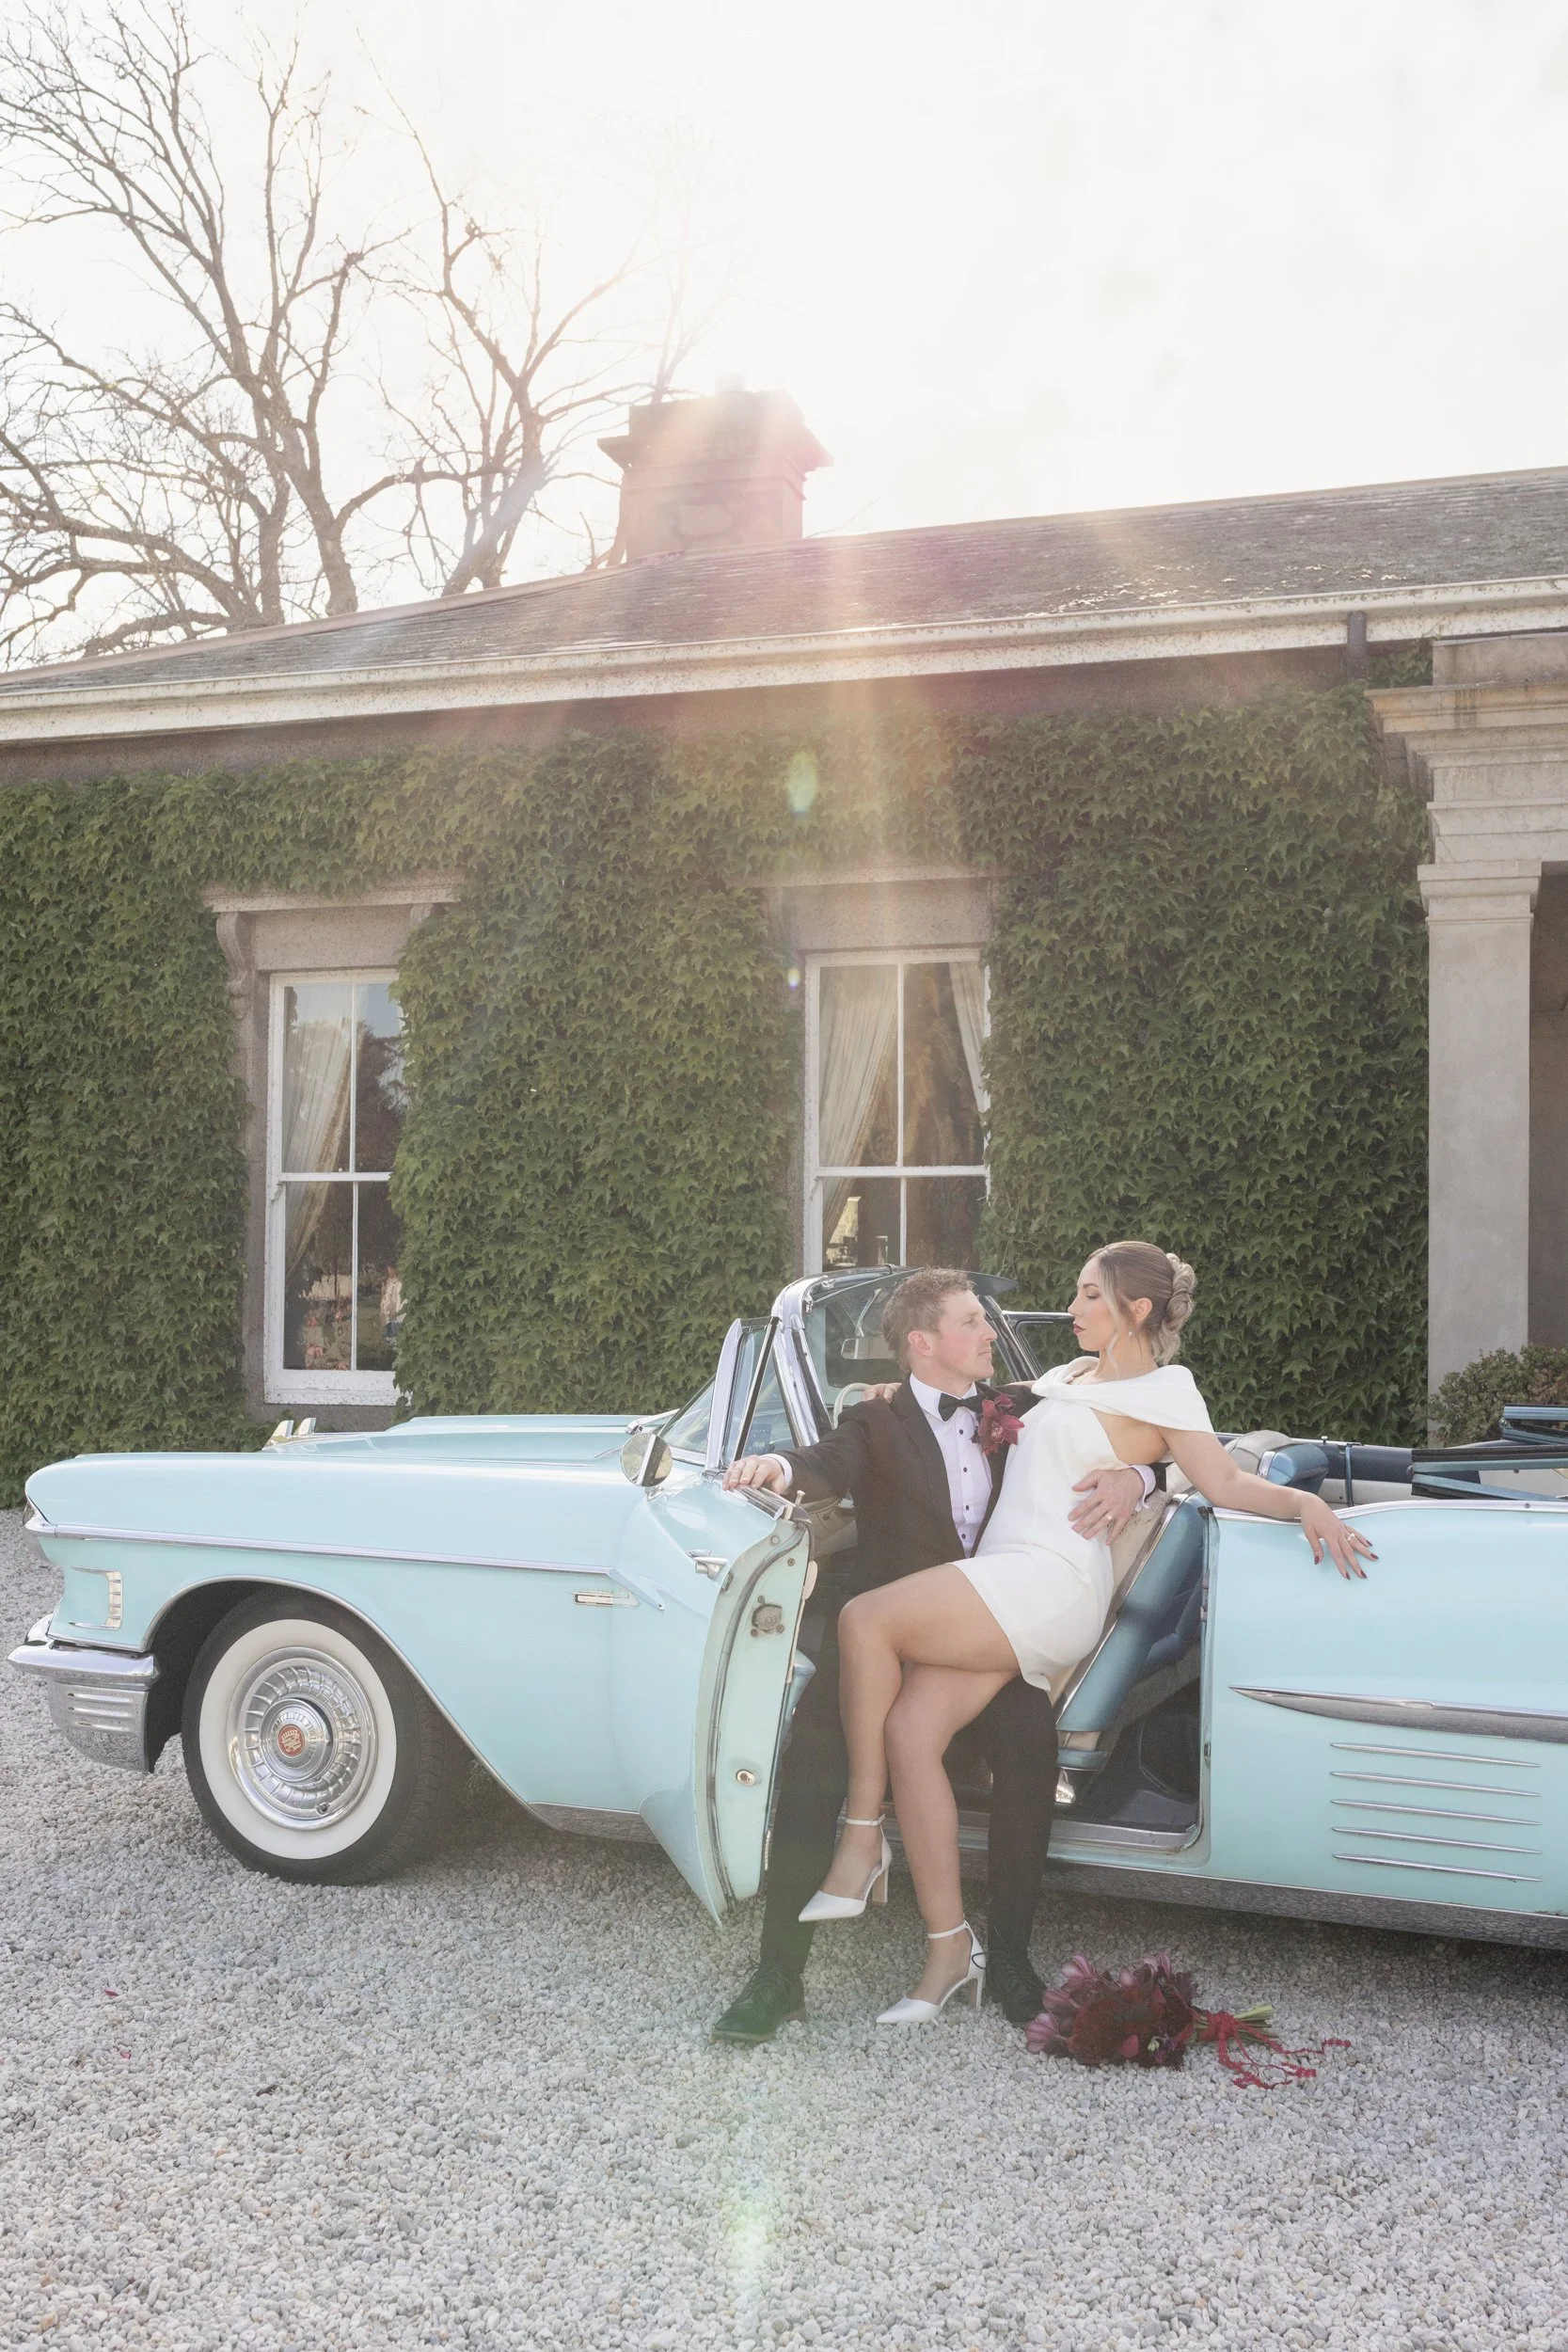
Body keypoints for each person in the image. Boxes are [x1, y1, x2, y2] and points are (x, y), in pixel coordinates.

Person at [806, 1241, 1377, 2025]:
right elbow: (974, 1406)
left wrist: (1303, 1504)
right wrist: (893, 1393)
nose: (1071, 1308)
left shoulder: (1168, 1389)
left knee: (863, 1618)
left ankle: (859, 1836)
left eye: (1088, 1296)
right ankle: (947, 1953)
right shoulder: (1064, 1378)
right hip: (999, 1577)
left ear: (1134, 1310)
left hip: (1050, 1581)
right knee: (909, 1732)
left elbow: (1222, 1478)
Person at [708, 1268, 1155, 2043]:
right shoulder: (874, 1420)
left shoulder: (1021, 1408)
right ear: (922, 1343)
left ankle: (1007, 1958)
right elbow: (823, 1461)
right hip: (887, 1637)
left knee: (1027, 1742)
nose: (989, 1333)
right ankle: (778, 1974)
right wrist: (773, 1468)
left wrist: (1136, 1476)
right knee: (811, 1758)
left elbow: (1147, 1434)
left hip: (986, 1635)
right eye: (971, 1322)